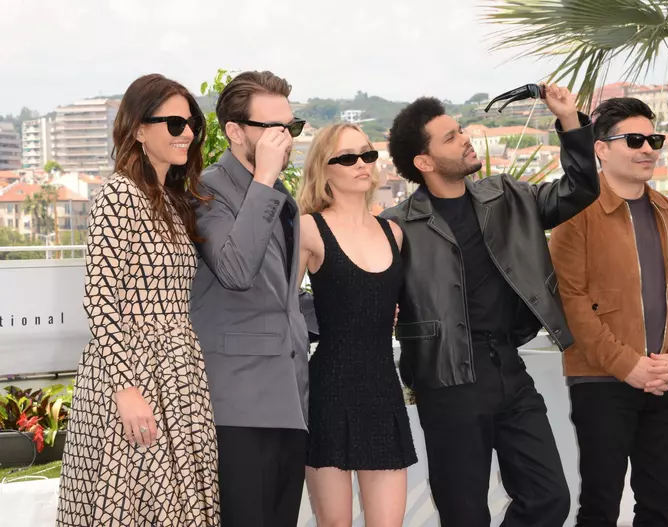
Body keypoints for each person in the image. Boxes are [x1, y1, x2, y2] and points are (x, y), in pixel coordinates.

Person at [381, 85, 599, 527]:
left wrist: (569, 120)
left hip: (508, 368)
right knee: (464, 514)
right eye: (450, 137)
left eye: (460, 129)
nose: (465, 139)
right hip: (445, 379)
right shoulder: (397, 226)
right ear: (424, 162)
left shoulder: (507, 196)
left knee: (549, 498)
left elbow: (579, 188)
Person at [56, 74, 219, 526]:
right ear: (139, 129)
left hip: (178, 373)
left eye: (192, 123)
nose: (186, 133)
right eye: (174, 123)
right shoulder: (119, 194)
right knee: (134, 504)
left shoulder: (172, 201)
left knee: (178, 506)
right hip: (131, 371)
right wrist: (126, 389)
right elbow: (100, 297)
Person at [548, 97, 668, 527]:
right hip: (601, 380)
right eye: (634, 140)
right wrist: (626, 365)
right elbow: (571, 301)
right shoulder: (575, 213)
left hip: (663, 378)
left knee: (660, 504)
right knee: (601, 506)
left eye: (654, 139)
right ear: (601, 148)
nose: (648, 149)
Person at [190, 70, 309, 527]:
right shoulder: (207, 189)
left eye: (291, 127)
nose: (285, 139)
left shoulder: (277, 193)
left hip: (289, 396)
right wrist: (264, 178)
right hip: (237, 402)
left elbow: (280, 295)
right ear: (235, 131)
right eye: (273, 128)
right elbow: (236, 271)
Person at [296, 123, 418, 526]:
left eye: (367, 154)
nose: (362, 164)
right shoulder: (309, 228)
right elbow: (281, 304)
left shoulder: (393, 233)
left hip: (382, 389)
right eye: (348, 157)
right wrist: (330, 317)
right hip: (329, 390)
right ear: (323, 168)